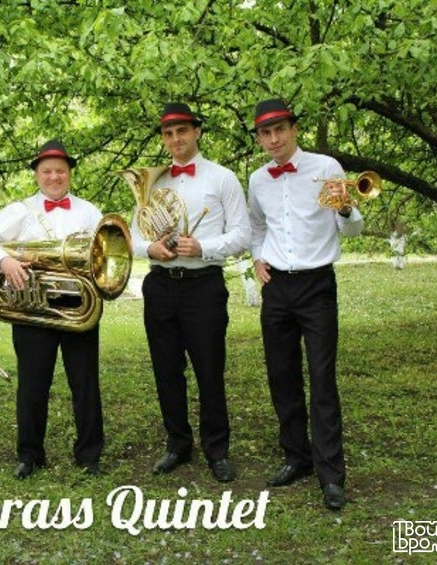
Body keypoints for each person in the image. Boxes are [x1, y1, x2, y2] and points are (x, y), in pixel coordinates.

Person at [247, 98, 364, 511]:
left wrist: (346, 206)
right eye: (265, 133)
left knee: (322, 378)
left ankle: (331, 474)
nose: (274, 139)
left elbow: (353, 230)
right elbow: (257, 226)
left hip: (317, 286)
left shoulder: (327, 167)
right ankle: (296, 457)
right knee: (281, 376)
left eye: (280, 129)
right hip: (277, 287)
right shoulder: (257, 179)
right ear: (259, 139)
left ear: (294, 129)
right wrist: (257, 257)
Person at [0, 140, 105, 479]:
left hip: (78, 305)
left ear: (69, 173)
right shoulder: (20, 210)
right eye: (47, 171)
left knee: (85, 383)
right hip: (33, 310)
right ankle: (30, 456)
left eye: (60, 170)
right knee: (32, 385)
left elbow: (106, 254)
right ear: (36, 175)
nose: (54, 177)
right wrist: (4, 261)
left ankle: (89, 456)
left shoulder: (89, 212)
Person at [131, 103, 250, 483]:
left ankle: (218, 450)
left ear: (197, 131)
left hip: (203, 286)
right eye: (168, 133)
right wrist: (151, 249)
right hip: (161, 285)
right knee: (166, 370)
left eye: (182, 130)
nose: (175, 139)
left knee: (209, 369)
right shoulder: (152, 181)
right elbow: (132, 236)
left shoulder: (223, 178)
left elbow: (243, 234)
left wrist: (203, 247)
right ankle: (177, 445)